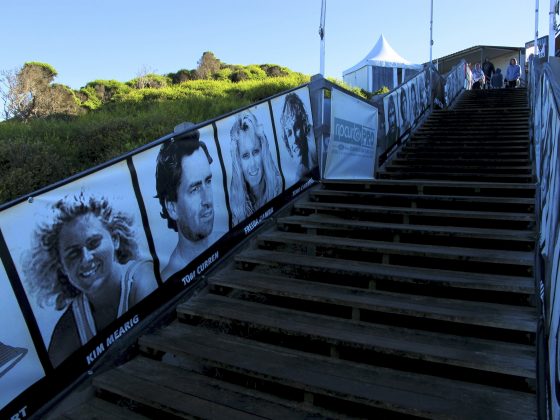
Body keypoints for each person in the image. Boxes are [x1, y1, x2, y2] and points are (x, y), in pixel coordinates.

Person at [23, 193, 158, 367]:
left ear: (115, 240)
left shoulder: (141, 279)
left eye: (94, 243)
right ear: (63, 267)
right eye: (73, 253)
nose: (86, 259)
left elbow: (154, 348)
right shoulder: (70, 325)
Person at [155, 130, 218, 280]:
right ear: (172, 207)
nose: (207, 199)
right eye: (195, 189)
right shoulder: (171, 281)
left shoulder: (226, 240)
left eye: (208, 181)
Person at [229, 110, 282, 226]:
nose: (253, 164)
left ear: (263, 152)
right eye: (245, 156)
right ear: (238, 161)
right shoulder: (235, 198)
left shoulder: (278, 184)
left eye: (256, 152)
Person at [279, 93, 317, 181]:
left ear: (304, 125)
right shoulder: (298, 173)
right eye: (289, 133)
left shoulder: (315, 145)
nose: (294, 140)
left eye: (296, 128)